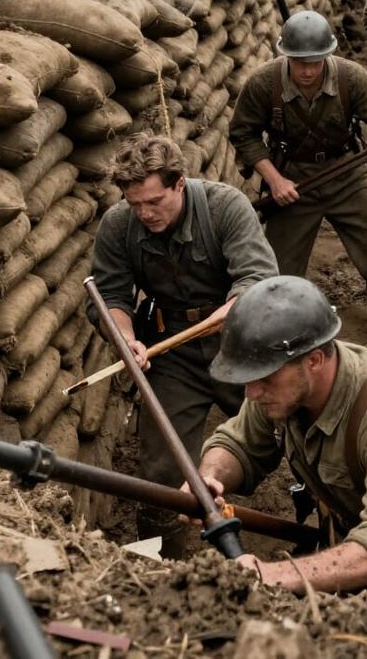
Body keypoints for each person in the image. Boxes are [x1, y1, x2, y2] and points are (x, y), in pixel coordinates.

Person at [198, 276, 367, 593]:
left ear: (314, 360)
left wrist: (269, 574)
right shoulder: (282, 387)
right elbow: (238, 444)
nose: (251, 392)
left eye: (262, 378)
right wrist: (211, 478)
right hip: (348, 547)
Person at [89, 133, 279, 557]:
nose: (145, 213)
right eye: (135, 203)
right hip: (171, 350)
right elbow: (112, 297)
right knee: (159, 469)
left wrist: (230, 310)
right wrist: (127, 340)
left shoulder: (224, 206)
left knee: (291, 431)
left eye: (154, 202)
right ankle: (163, 562)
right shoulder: (119, 225)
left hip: (241, 341)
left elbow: (258, 277)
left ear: (179, 183)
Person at [227, 11, 367, 370]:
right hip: (293, 181)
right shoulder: (264, 83)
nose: (308, 71)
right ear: (287, 56)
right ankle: (283, 342)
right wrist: (274, 179)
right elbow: (243, 133)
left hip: (346, 174)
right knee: (276, 275)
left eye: (315, 62)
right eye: (299, 62)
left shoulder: (350, 76)